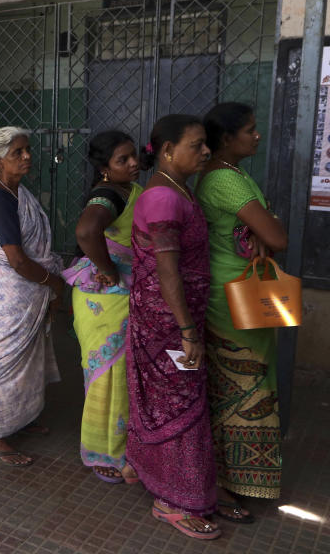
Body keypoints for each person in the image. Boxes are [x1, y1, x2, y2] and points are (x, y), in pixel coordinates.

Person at [126, 114, 219, 540]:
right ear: (167, 150)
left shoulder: (176, 189)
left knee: (161, 399)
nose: (205, 152)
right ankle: (174, 502)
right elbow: (168, 272)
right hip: (168, 324)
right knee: (181, 405)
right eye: (196, 145)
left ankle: (143, 464)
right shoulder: (163, 198)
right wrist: (186, 330)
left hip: (170, 318)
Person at [196, 103, 287, 520]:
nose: (257, 136)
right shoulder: (224, 181)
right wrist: (268, 228)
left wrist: (263, 229)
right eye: (249, 130)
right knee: (238, 386)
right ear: (227, 139)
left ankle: (239, 476)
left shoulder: (232, 174)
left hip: (245, 287)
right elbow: (276, 236)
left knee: (244, 383)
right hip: (234, 296)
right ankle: (224, 481)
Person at [0, 126, 64, 467]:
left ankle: (20, 419)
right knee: (5, 362)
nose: (27, 157)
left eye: (27, 150)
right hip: (11, 297)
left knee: (29, 358)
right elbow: (16, 260)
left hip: (26, 292)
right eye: (18, 153)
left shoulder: (17, 193)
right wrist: (52, 282)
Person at [64, 131, 142, 484]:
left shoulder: (127, 190)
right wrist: (109, 269)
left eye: (134, 156)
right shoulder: (107, 194)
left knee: (123, 373)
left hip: (121, 294)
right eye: (122, 160)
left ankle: (125, 445)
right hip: (104, 298)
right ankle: (102, 451)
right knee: (107, 374)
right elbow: (86, 231)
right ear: (104, 169)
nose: (133, 163)